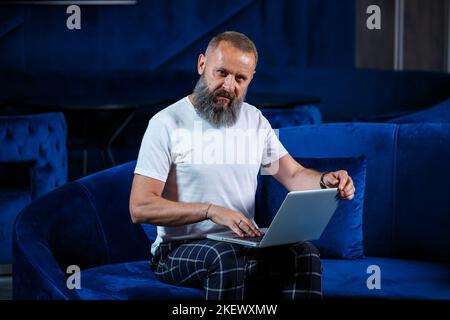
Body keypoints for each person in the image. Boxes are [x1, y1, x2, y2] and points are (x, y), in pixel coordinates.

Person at [129, 31, 355, 300]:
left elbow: (293, 175)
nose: (229, 85)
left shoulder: (254, 120)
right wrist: (211, 211)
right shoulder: (166, 123)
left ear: (251, 79)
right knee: (223, 258)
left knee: (304, 254)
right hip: (177, 250)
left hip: (243, 245)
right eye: (221, 72)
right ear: (202, 64)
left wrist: (325, 180)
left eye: (240, 78)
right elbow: (140, 206)